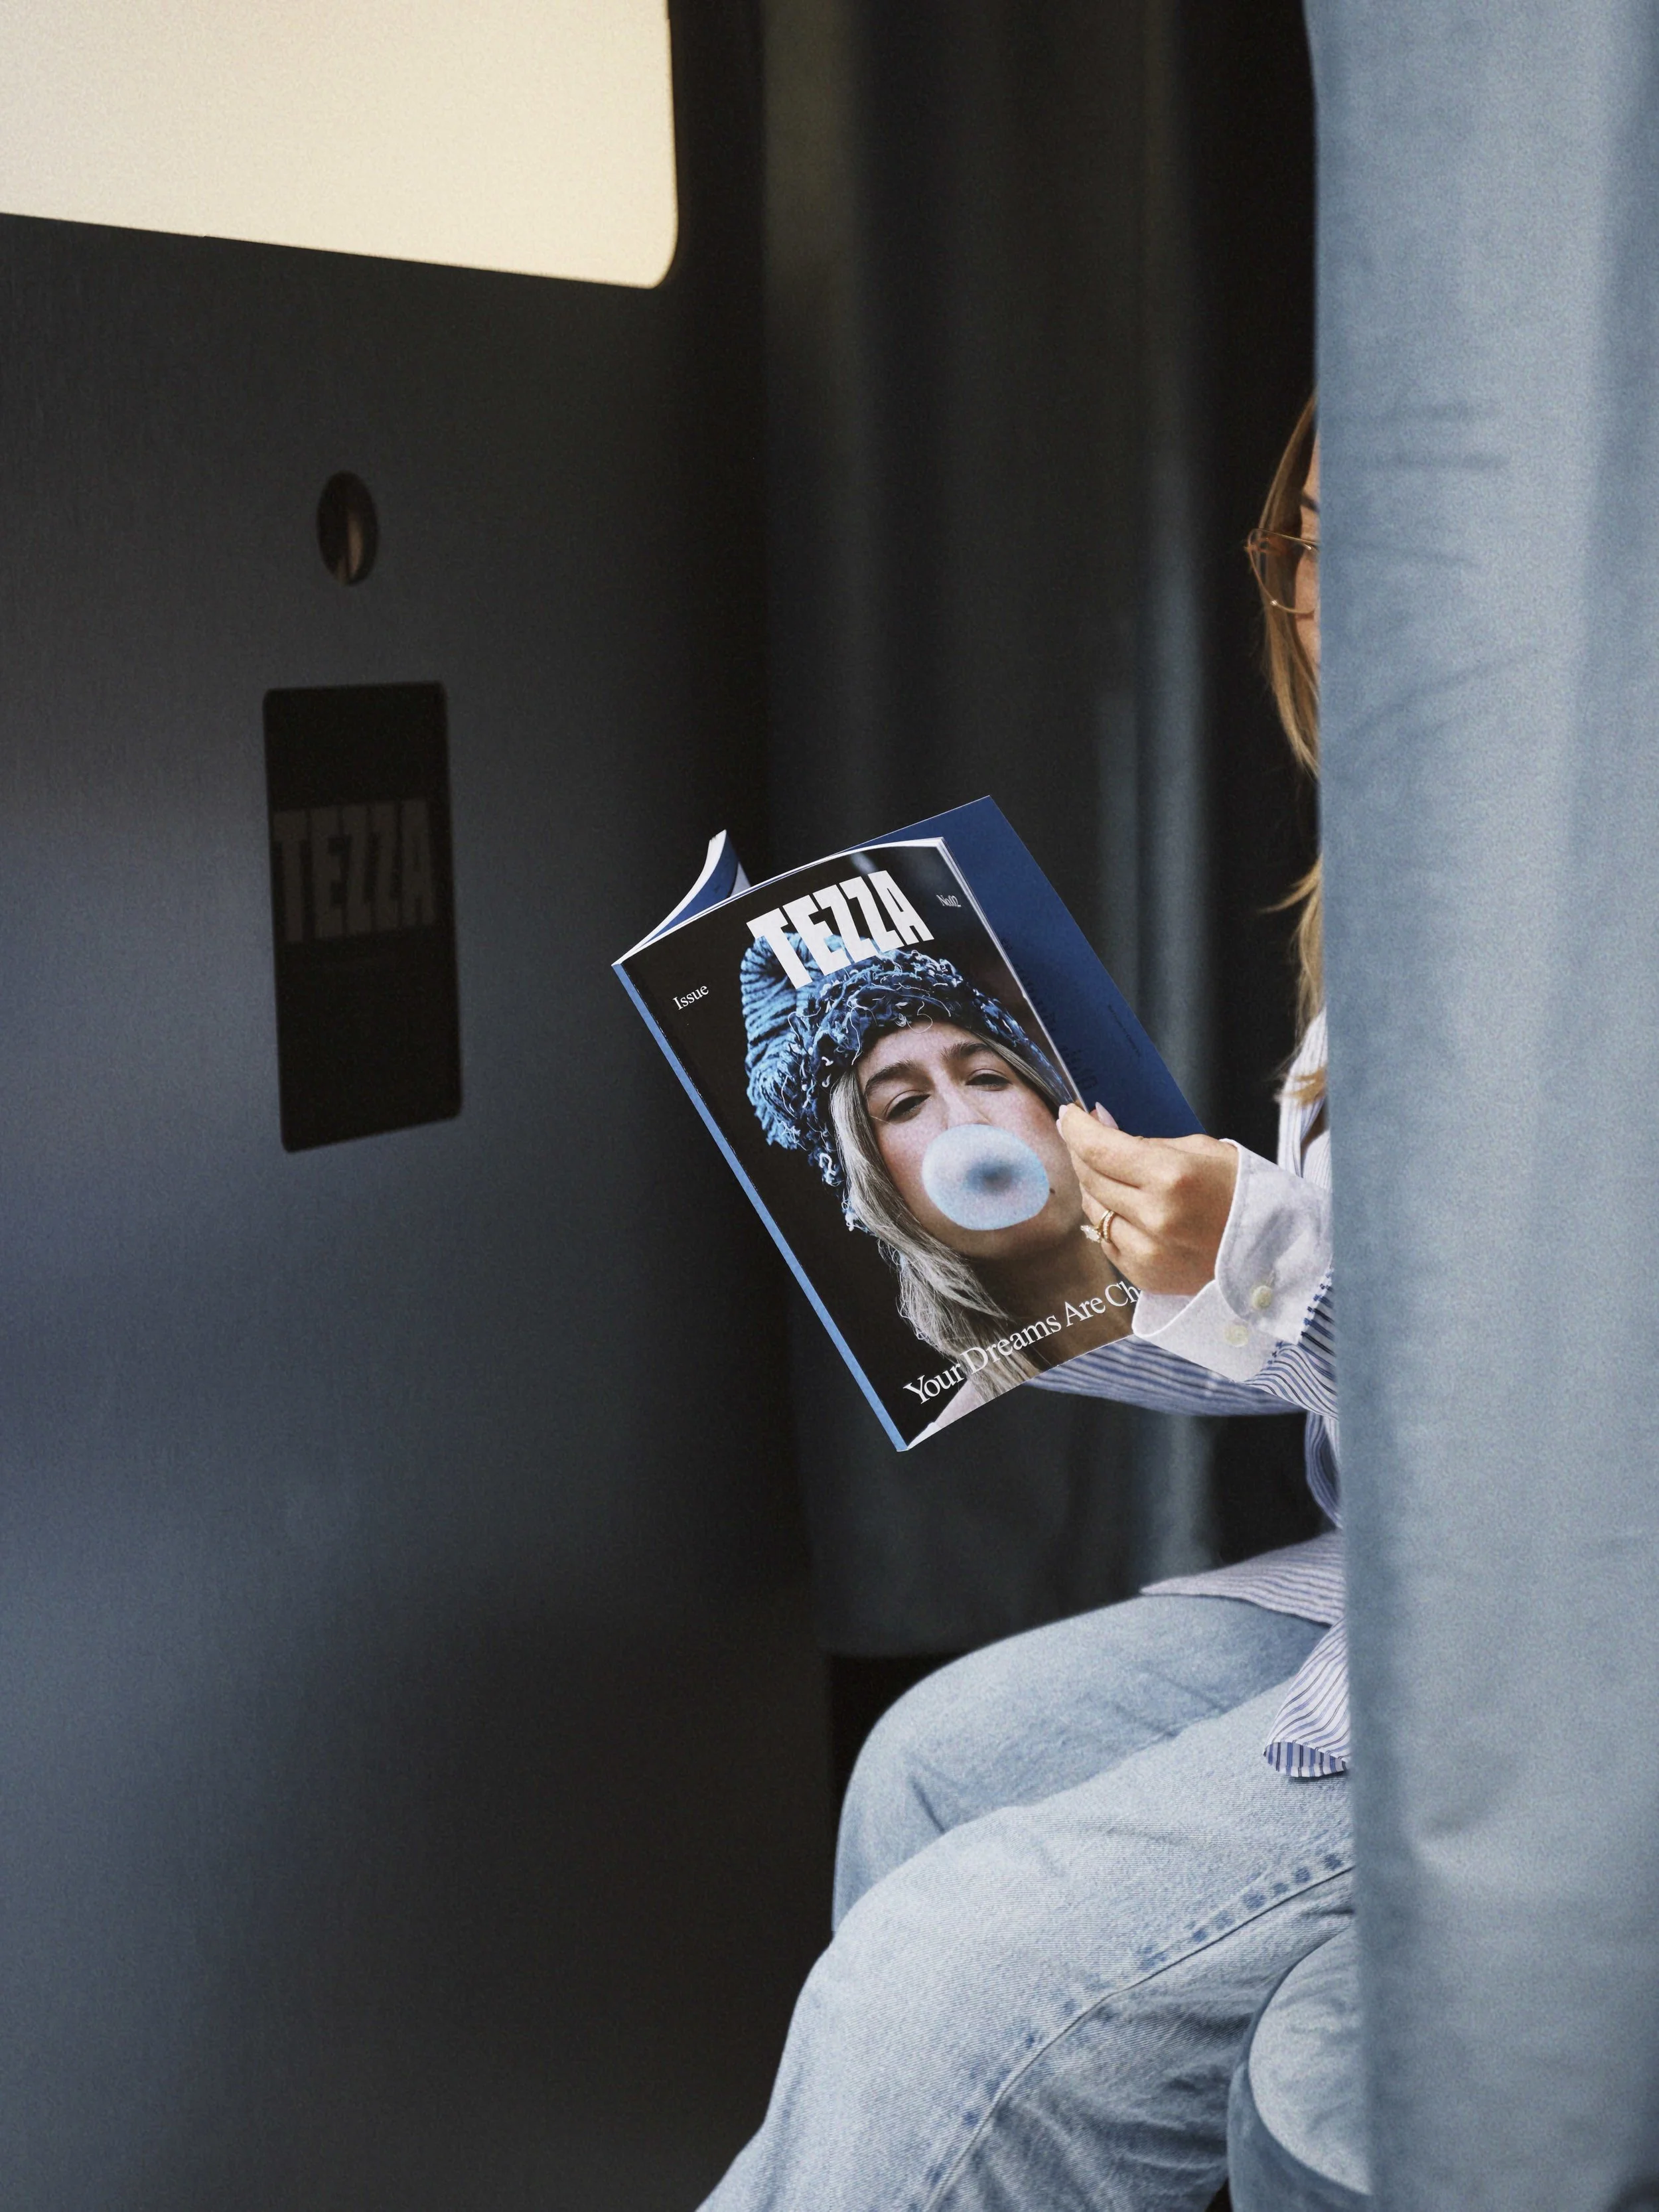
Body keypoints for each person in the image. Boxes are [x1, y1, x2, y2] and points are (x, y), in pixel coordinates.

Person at [703, 396, 1342, 2212]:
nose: (1328, 580)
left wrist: (1261, 1254)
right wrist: (1059, 1293)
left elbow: (1552, 1387)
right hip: (1399, 1573)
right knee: (925, 1764)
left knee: (932, 1993)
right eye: (1308, 530)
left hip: (1549, 1645)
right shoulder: (1370, 897)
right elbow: (1310, 1360)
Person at [740, 935, 1136, 1428]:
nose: (967, 1119)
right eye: (905, 1104)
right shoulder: (963, 1435)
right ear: (874, 1191)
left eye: (988, 1077)